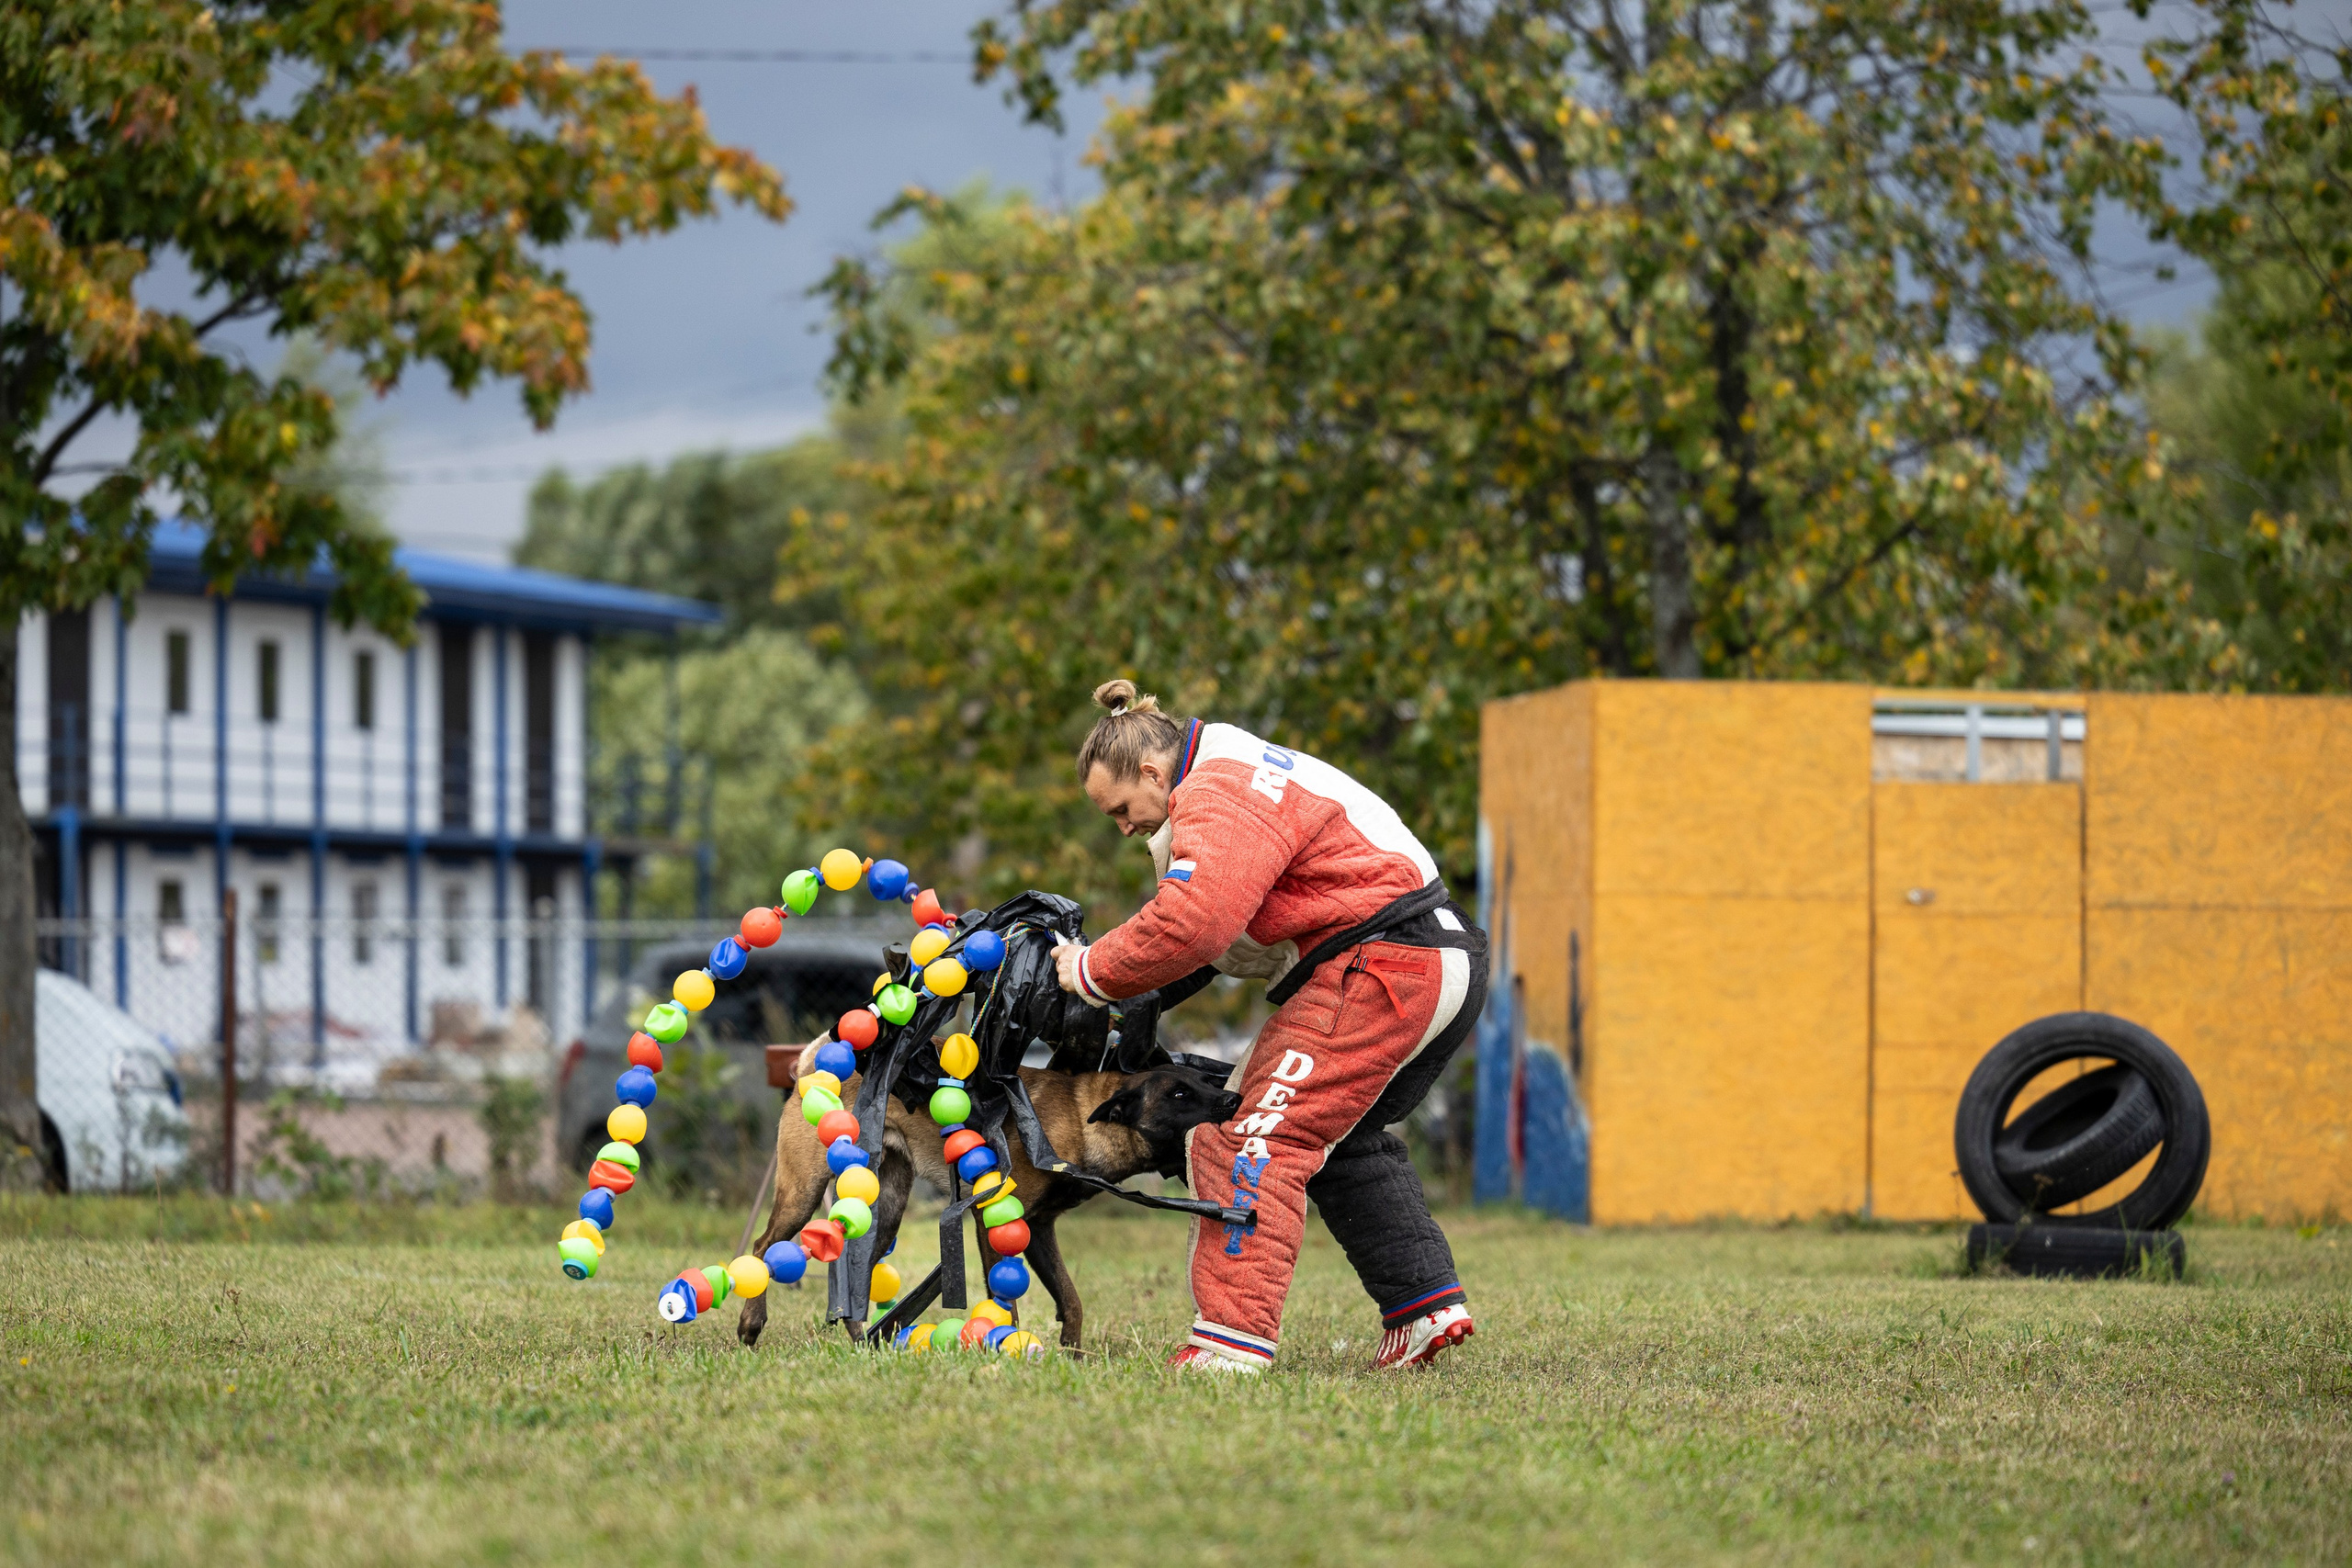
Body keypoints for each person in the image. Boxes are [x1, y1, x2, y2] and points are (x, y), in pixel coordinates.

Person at [1051, 680, 1488, 1371]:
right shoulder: (1238, 771)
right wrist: (1135, 997)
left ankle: (1231, 1344)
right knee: (1334, 1136)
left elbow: (1194, 922)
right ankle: (1423, 1307)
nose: (1124, 826)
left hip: (1382, 965)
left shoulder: (1219, 790)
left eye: (1122, 809)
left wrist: (1088, 969)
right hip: (1431, 956)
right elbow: (1219, 941)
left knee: (1248, 1134)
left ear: (1152, 772)